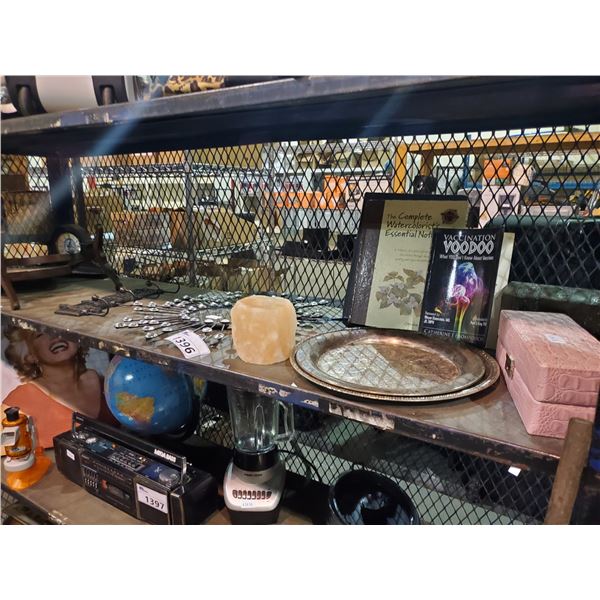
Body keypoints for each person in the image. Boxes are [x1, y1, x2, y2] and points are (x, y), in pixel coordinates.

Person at [2, 326, 113, 448]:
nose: (54, 336)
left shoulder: (106, 381)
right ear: (30, 355)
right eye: (40, 334)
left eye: (60, 329)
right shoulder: (18, 402)